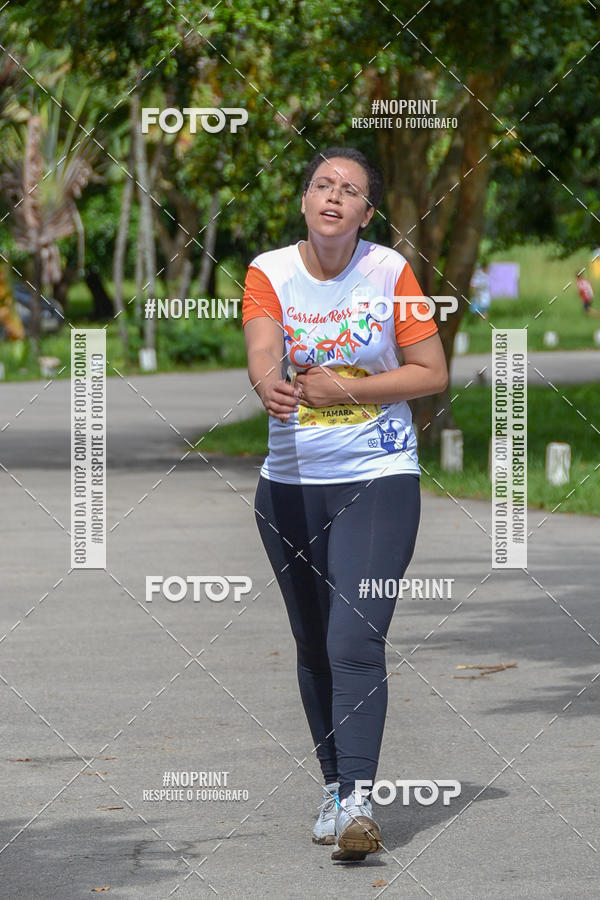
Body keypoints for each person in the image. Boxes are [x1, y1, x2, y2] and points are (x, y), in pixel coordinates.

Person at [242, 147, 448, 862]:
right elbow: (263, 343)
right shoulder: (270, 270)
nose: (333, 195)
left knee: (352, 639)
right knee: (312, 645)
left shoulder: (389, 272)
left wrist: (346, 389)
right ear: (304, 201)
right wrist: (271, 381)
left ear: (366, 213)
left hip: (379, 479)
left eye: (350, 190)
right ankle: (333, 790)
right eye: (322, 184)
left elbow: (432, 371)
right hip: (289, 487)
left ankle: (359, 800)